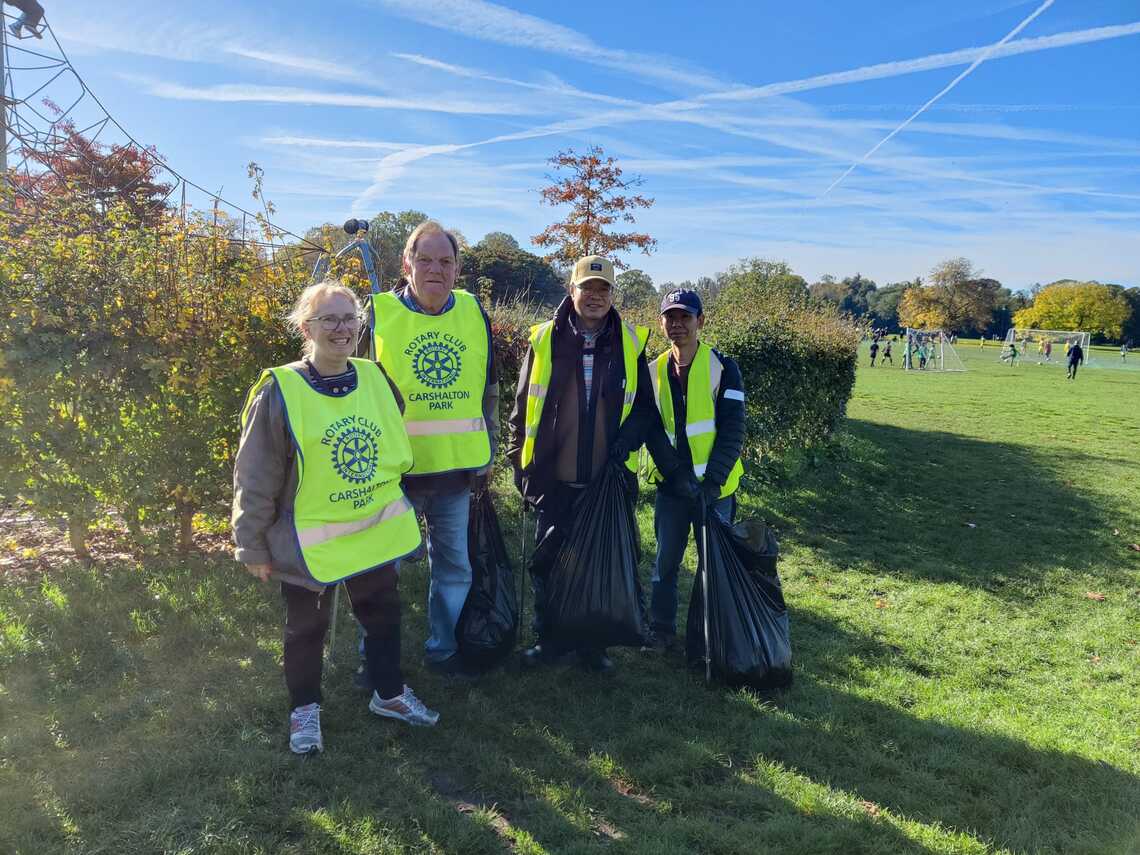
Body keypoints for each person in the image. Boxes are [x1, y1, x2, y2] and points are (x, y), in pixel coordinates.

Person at [232, 279, 440, 755]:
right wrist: (251, 543)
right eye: (330, 319)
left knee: (384, 615)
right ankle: (305, 711)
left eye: (349, 318)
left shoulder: (373, 376)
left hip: (370, 530)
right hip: (308, 540)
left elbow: (388, 434)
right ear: (307, 327)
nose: (342, 328)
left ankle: (389, 695)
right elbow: (256, 473)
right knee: (306, 628)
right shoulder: (281, 389)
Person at [507, 255, 687, 674]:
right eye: (587, 288)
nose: (595, 297)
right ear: (572, 291)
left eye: (604, 290)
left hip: (604, 480)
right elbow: (522, 409)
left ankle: (593, 646)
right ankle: (548, 641)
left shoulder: (629, 342)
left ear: (612, 296)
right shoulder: (543, 339)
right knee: (548, 562)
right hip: (552, 475)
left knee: (596, 563)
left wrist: (621, 447)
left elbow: (644, 410)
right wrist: (520, 466)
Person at [371, 220, 498, 678]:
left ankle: (442, 650)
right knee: (383, 571)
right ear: (406, 265)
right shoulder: (378, 313)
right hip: (394, 477)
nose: (435, 270)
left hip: (455, 473)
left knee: (454, 569)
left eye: (445, 261)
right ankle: (376, 659)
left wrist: (489, 451)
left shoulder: (472, 312)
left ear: (457, 269)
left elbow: (488, 389)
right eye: (424, 259)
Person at [644, 289, 745, 654]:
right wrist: (674, 473)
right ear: (661, 323)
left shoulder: (724, 368)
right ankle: (661, 630)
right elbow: (652, 429)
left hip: (714, 492)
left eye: (685, 317)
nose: (677, 324)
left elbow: (733, 430)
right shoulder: (652, 371)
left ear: (700, 321)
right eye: (670, 317)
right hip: (672, 488)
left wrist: (713, 482)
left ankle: (707, 637)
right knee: (664, 564)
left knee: (712, 568)